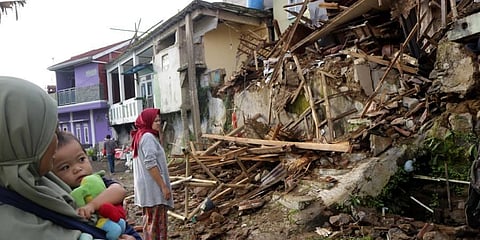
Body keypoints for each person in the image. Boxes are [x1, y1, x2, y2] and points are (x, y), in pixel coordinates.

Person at [0, 76, 94, 239]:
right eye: (52, 131)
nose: (57, 141)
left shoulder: (41, 183)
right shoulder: (15, 229)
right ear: (20, 141)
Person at [52, 131, 141, 240]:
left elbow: (119, 191)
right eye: (65, 167)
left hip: (119, 228)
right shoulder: (61, 194)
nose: (77, 169)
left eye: (81, 159)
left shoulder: (96, 181)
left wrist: (92, 205)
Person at [131, 108, 173, 240]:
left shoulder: (142, 135)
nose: (159, 123)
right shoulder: (148, 137)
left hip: (148, 189)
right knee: (155, 225)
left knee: (151, 224)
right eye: (156, 121)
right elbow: (151, 164)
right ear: (148, 121)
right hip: (153, 189)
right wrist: (163, 186)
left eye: (160, 120)